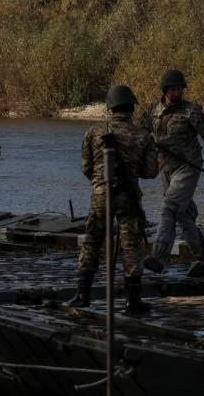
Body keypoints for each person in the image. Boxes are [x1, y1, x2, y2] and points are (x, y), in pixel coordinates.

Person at [67, 85, 158, 315]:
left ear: (110, 107)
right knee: (131, 246)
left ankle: (82, 295)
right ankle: (132, 301)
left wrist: (99, 182)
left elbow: (85, 167)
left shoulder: (93, 132)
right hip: (129, 197)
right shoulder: (143, 136)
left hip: (100, 195)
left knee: (92, 242)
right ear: (131, 108)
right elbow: (150, 172)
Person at [140, 69, 204, 278]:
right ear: (165, 90)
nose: (177, 92)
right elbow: (139, 133)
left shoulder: (191, 111)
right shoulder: (152, 111)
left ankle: (158, 258)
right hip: (165, 168)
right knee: (184, 216)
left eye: (180, 89)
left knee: (169, 209)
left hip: (188, 167)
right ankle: (202, 260)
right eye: (173, 89)